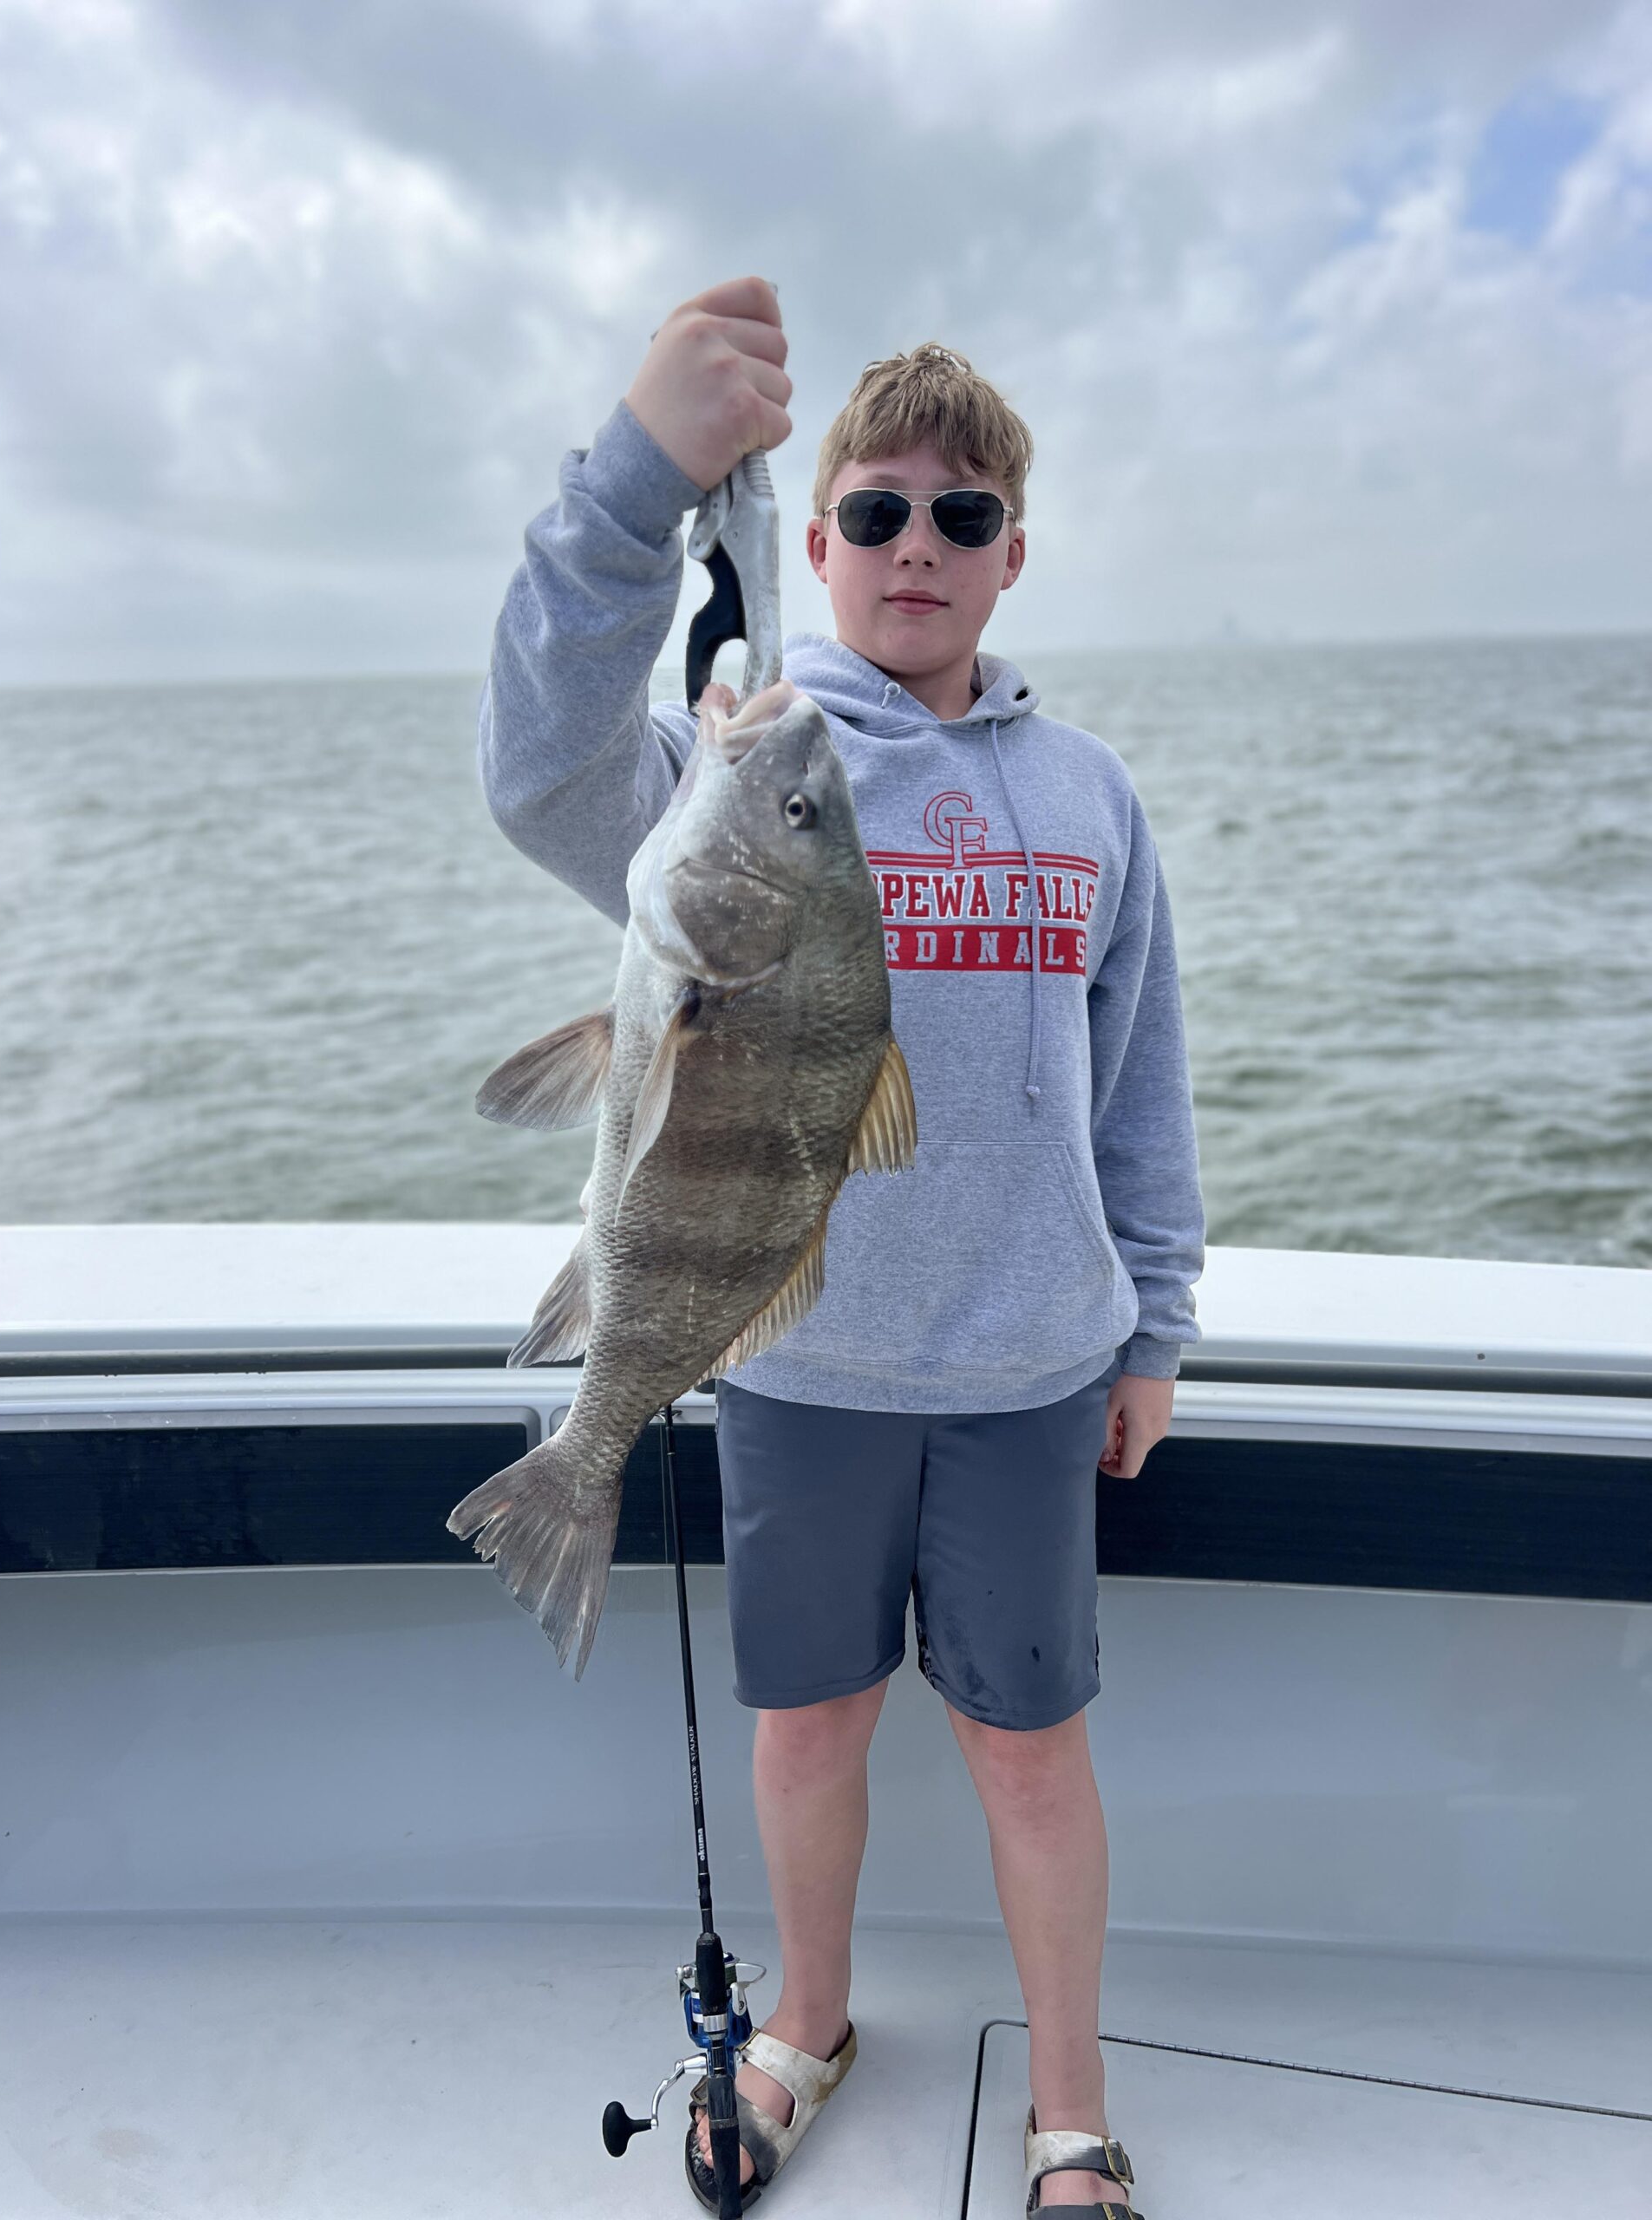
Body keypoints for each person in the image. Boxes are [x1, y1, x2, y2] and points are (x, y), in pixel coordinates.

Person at [477, 274, 1205, 2216]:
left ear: (1012, 555)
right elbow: (543, 761)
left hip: (1035, 1366)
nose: (915, 545)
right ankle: (806, 2016)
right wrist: (641, 478)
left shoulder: (1091, 796)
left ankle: (1070, 2111)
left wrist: (1158, 1323)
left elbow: (1138, 1084)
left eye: (961, 518)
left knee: (1033, 1756)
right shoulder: (756, 755)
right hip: (790, 1362)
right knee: (804, 1729)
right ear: (814, 540)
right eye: (874, 509)